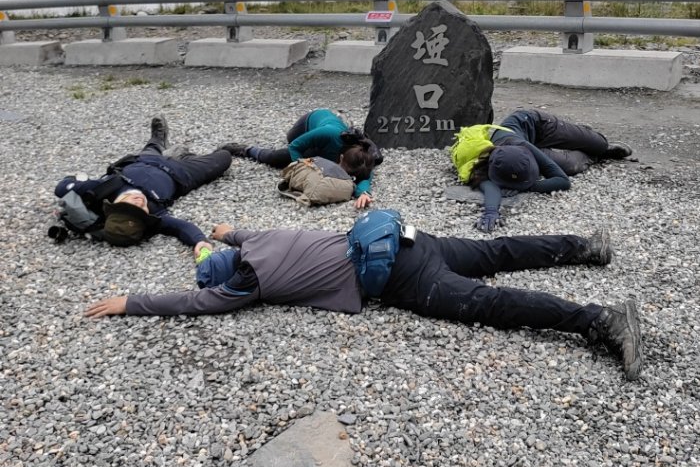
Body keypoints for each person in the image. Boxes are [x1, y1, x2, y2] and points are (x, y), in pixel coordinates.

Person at [84, 223, 642, 381]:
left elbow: (193, 303)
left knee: (489, 304)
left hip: (398, 278)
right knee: (494, 252)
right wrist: (222, 232)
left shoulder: (246, 284)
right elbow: (232, 233)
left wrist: (132, 301)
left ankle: (600, 322)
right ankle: (585, 246)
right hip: (405, 237)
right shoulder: (256, 240)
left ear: (226, 279)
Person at [54, 116, 232, 247]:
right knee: (224, 157)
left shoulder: (99, 191)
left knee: (153, 145)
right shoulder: (156, 215)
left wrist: (73, 186)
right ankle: (183, 155)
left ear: (114, 206)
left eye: (131, 206)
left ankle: (159, 139)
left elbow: (62, 188)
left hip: (144, 160)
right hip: (182, 175)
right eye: (142, 211)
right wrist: (200, 242)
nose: (139, 203)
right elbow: (182, 227)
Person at [467, 109, 633, 232]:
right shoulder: (491, 161)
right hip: (526, 145)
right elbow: (488, 186)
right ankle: (593, 155)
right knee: (572, 166)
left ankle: (584, 136)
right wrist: (490, 211)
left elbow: (562, 181)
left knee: (600, 144)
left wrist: (525, 186)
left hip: (538, 125)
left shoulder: (525, 148)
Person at [221, 108, 383, 209]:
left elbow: (365, 178)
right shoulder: (329, 134)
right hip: (310, 121)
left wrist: (363, 193)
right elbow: (295, 146)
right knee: (280, 155)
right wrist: (300, 168)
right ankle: (247, 150)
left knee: (311, 158)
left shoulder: (364, 159)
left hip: (324, 148)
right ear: (340, 158)